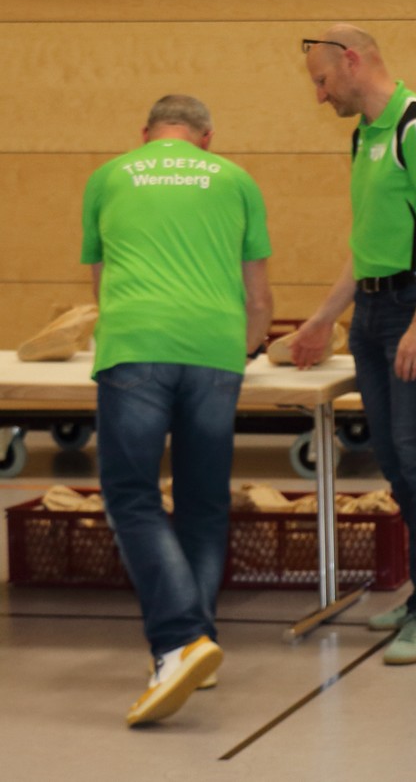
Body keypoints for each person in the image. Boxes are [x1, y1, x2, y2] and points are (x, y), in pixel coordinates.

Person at [82, 94, 273, 726]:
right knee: (203, 501)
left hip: (136, 344)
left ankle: (178, 640)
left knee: (132, 495)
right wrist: (243, 348)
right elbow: (259, 297)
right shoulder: (236, 179)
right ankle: (200, 643)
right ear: (206, 137)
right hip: (215, 349)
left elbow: (101, 282)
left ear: (146, 134)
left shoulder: (108, 175)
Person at [288, 25, 416, 666]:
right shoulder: (363, 135)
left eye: (322, 80)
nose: (319, 95)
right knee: (393, 459)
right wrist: (322, 319)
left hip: (413, 307)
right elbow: (365, 244)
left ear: (352, 61)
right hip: (369, 312)